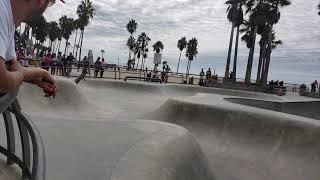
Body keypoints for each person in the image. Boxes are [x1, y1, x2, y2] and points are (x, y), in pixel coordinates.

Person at [0, 0, 62, 97]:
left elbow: (12, 66)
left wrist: (42, 74)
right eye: (51, 2)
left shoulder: (9, 16)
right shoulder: (1, 10)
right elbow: (2, 80)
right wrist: (19, 76)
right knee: (10, 93)